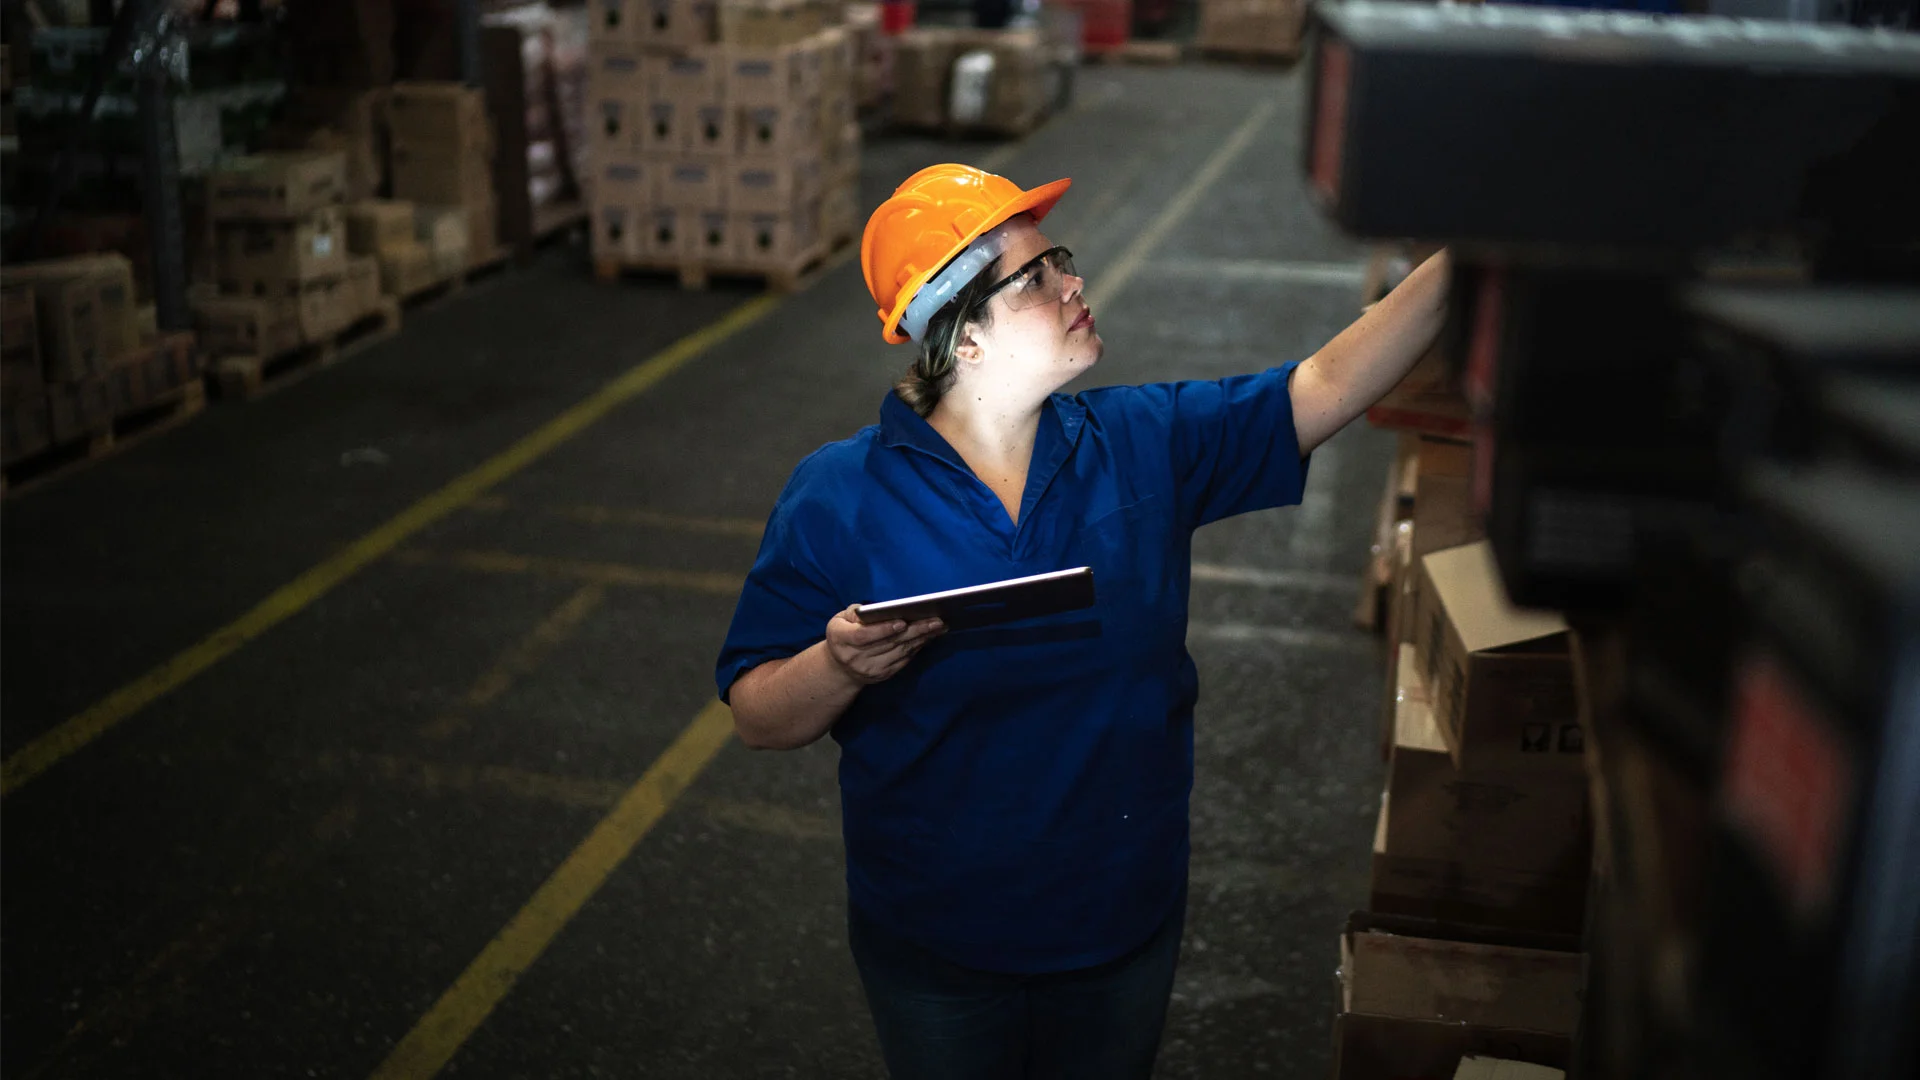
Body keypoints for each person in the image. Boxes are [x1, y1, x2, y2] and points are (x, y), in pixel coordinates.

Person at [715, 164, 1449, 1078]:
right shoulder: (838, 496)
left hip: (1119, 921)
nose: (1075, 284)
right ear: (962, 334)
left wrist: (1474, 258)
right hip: (938, 938)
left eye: (1064, 261)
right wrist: (839, 666)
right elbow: (757, 714)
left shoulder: (1145, 443)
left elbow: (1329, 384)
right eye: (1037, 277)